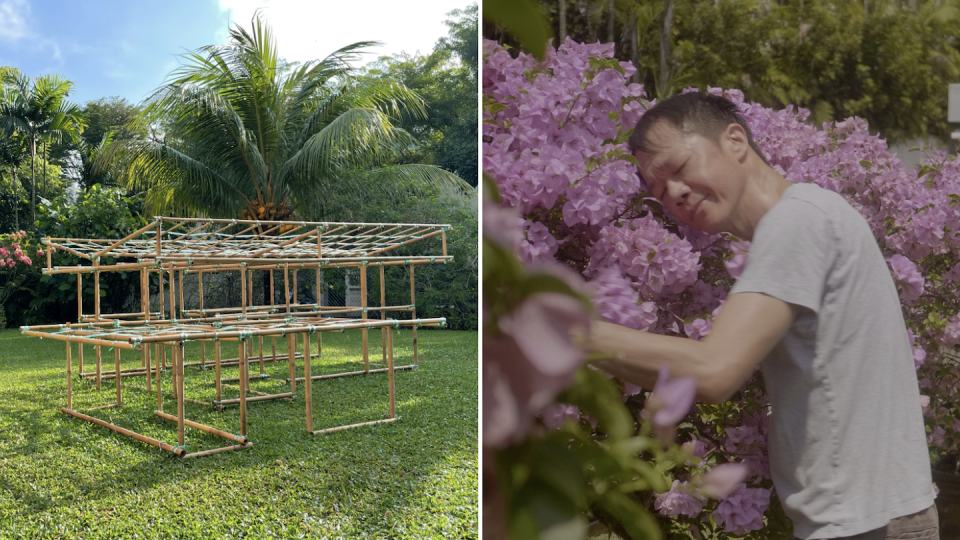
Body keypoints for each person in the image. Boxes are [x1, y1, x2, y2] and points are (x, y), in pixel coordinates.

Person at [582, 92, 939, 540]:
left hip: (868, 524)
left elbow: (714, 371)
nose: (673, 192)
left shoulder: (797, 221)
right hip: (862, 518)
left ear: (735, 140)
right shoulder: (807, 215)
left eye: (678, 168)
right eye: (658, 190)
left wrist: (565, 330)